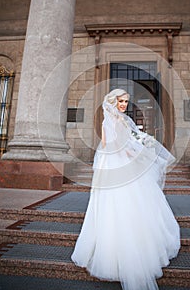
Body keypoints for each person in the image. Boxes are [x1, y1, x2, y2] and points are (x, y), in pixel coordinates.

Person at [71, 89, 180, 290]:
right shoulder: (108, 121)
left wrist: (140, 146)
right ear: (113, 101)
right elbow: (107, 144)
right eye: (120, 101)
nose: (123, 104)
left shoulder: (123, 120)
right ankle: (114, 256)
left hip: (123, 163)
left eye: (126, 101)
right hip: (115, 166)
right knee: (116, 204)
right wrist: (134, 152)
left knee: (136, 204)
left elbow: (128, 140)